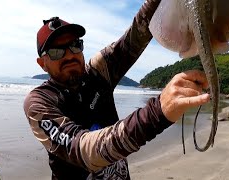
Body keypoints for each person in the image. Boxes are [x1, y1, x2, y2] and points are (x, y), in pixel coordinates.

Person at [23, 0, 210, 179]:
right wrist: (158, 111)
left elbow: (136, 36)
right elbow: (84, 151)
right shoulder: (39, 102)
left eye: (75, 45)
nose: (69, 55)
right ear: (42, 64)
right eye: (57, 51)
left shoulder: (97, 73)